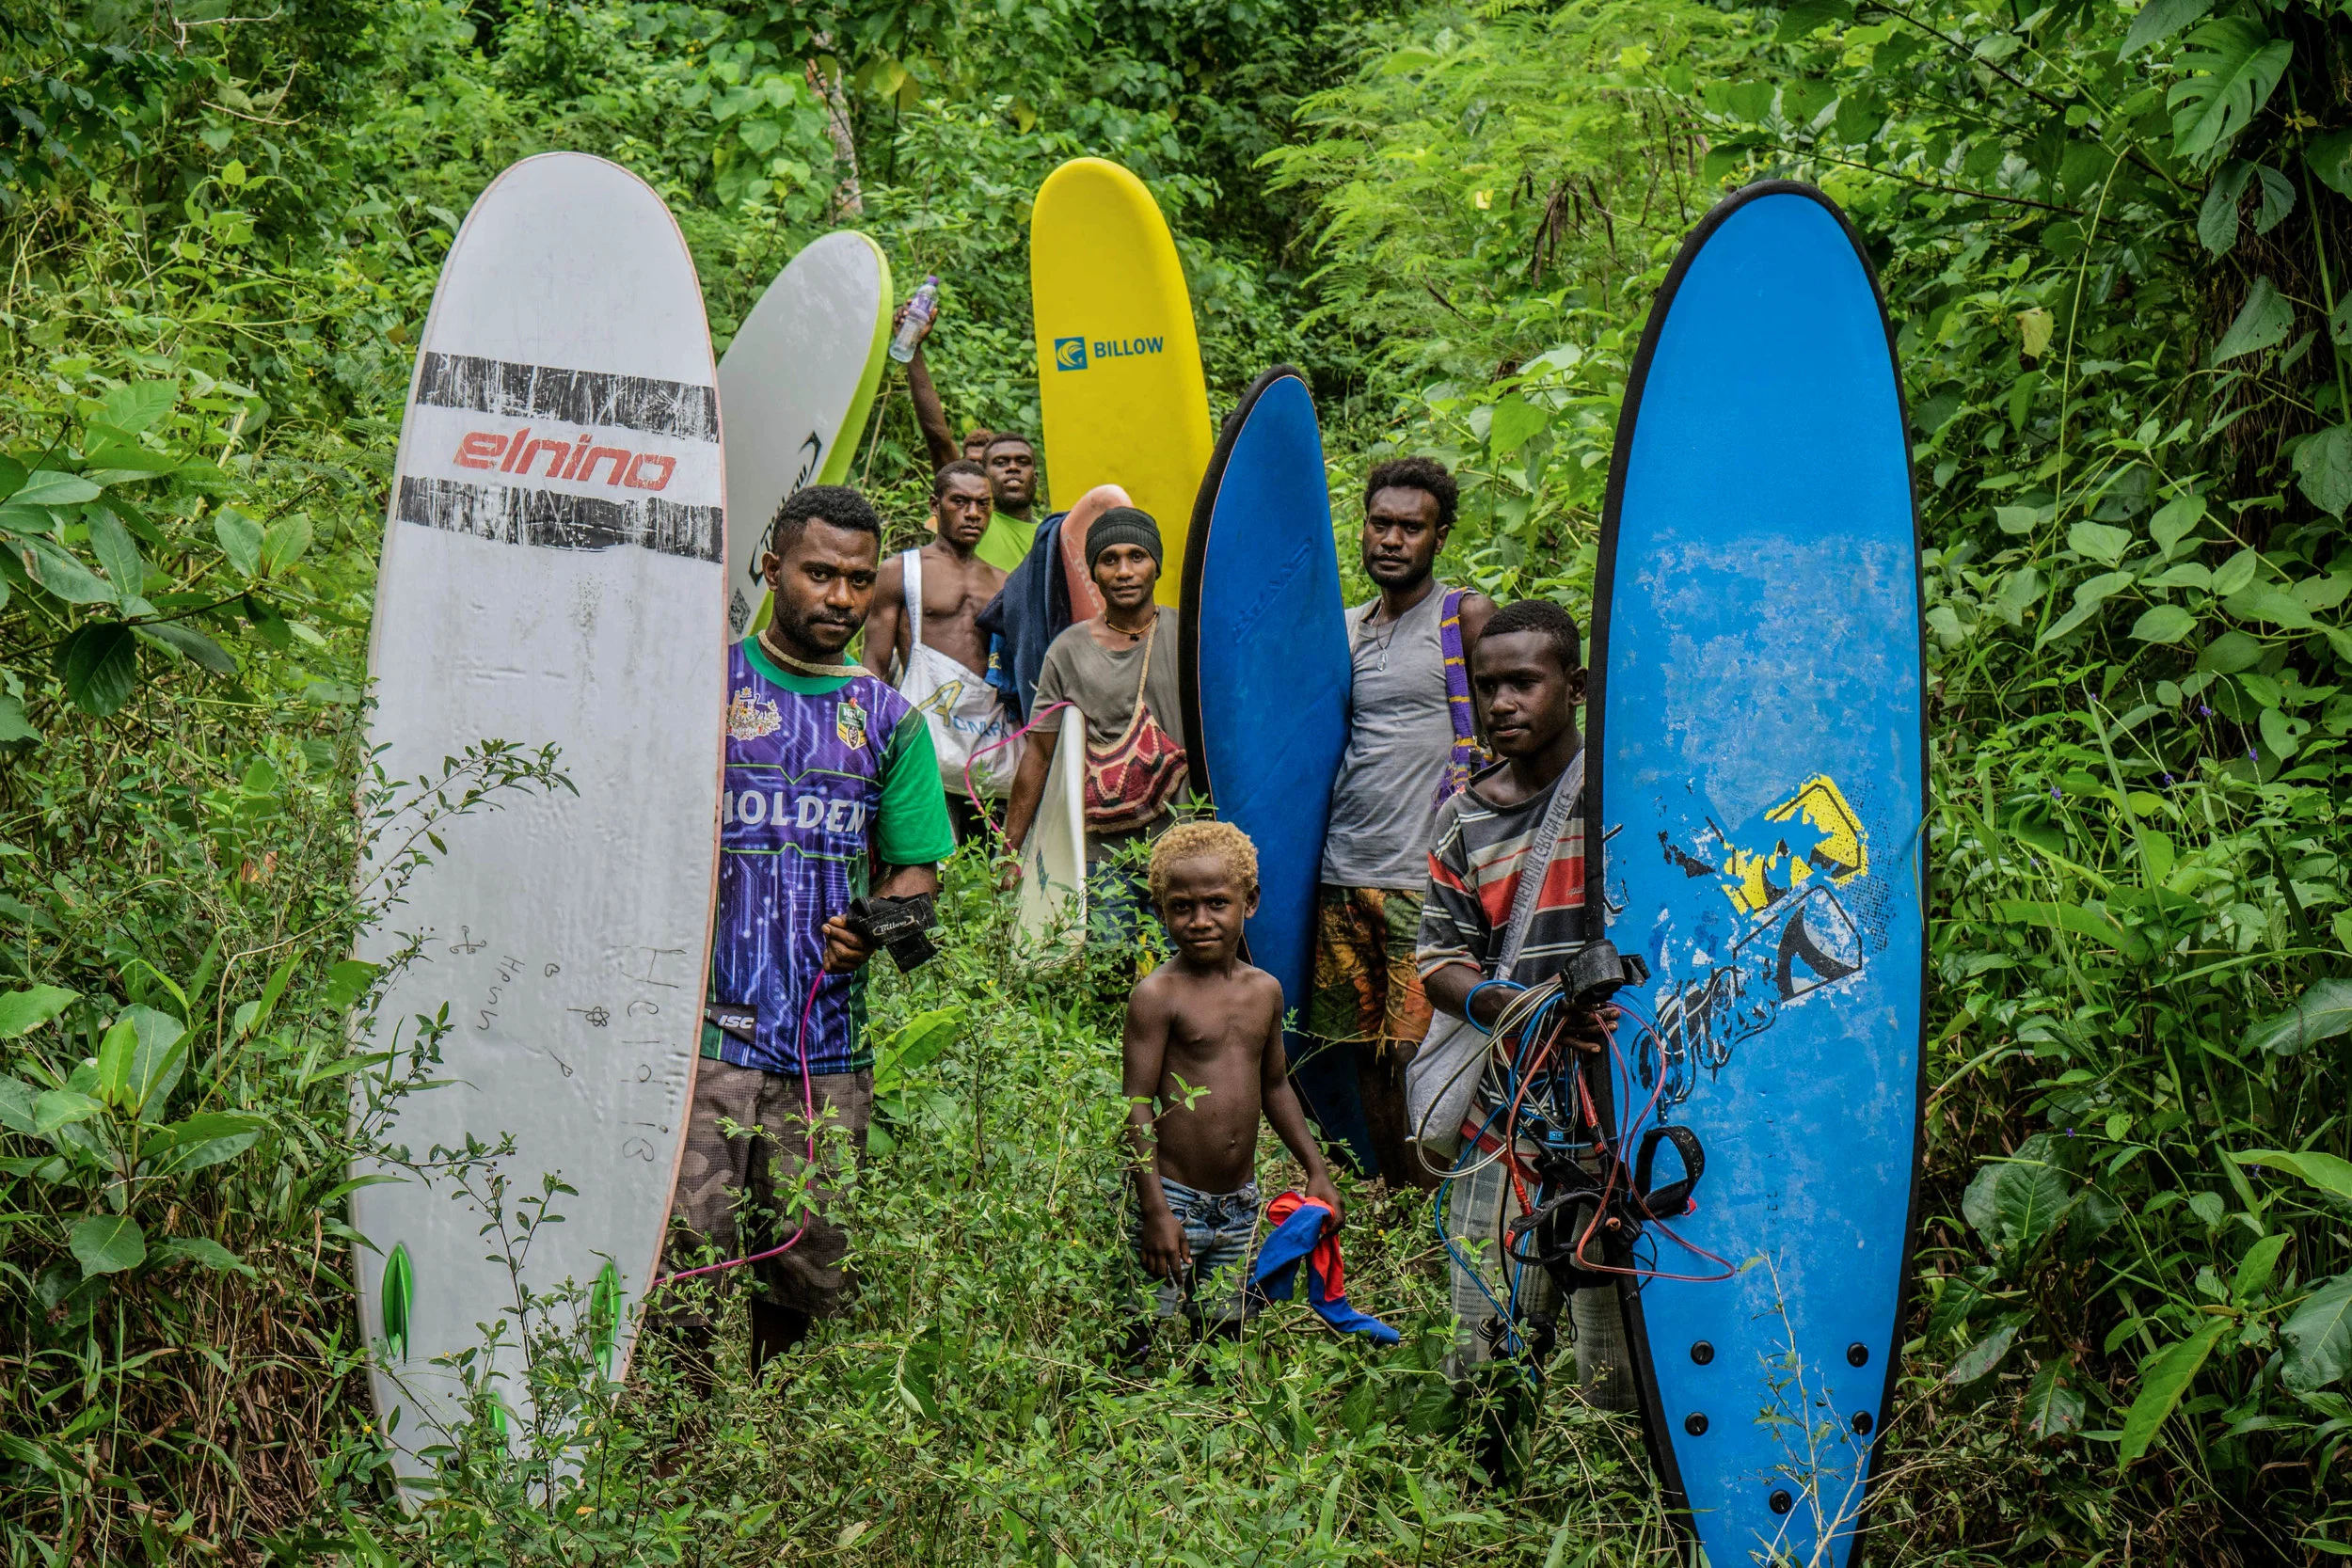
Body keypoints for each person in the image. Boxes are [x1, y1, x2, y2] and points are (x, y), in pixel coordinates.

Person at [663, 483, 956, 1376]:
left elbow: (919, 877)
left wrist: (878, 925)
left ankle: (772, 1432)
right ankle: (678, 1441)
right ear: (771, 565)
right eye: (819, 572)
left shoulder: (890, 721)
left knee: (807, 1264)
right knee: (683, 1258)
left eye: (858, 580)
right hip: (695, 1038)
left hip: (826, 1044)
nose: (839, 597)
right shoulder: (702, 688)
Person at [1414, 597, 1632, 1411]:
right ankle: (1491, 1495)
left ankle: (1614, 1513)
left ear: (1574, 686)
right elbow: (1438, 960)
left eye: (1524, 683)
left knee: (1617, 1365)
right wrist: (1528, 1010)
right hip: (1507, 1116)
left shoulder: (1625, 796)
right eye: (1487, 684)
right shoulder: (1464, 818)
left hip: (1623, 1117)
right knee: (1483, 1355)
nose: (1502, 702)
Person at [1309, 457, 1495, 1189]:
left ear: (1439, 536)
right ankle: (1392, 1194)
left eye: (1410, 527)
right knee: (1362, 1050)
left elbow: (1510, 721)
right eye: (1380, 523)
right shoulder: (1342, 628)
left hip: (1425, 873)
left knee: (1419, 1049)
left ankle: (1433, 1195)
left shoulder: (1461, 617)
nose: (1391, 539)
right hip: (1342, 868)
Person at [1121, 820, 1343, 1350]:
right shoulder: (1158, 995)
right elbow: (1135, 1107)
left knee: (1223, 1338)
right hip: (1172, 1198)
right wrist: (1155, 1209)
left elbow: (1276, 1087)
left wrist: (1317, 1169)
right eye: (1181, 907)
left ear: (1250, 902)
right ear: (1160, 910)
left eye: (1217, 903)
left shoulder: (1264, 990)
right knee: (1140, 1335)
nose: (1200, 921)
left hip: (1239, 1203)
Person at [1000, 507, 1189, 937]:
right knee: (1109, 975)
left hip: (1182, 847)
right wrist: (1010, 852)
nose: (1124, 571)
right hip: (1103, 857)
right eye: (1110, 559)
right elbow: (1039, 755)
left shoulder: (1188, 635)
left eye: (1137, 556)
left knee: (1186, 971)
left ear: (1157, 564)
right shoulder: (1067, 651)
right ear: (1094, 571)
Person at [861, 460, 1019, 841]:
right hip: (924, 743)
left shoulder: (1004, 583)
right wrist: (867, 751)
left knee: (986, 875)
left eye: (983, 504)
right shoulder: (901, 571)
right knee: (926, 863)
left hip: (985, 749)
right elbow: (875, 667)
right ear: (935, 505)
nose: (973, 514)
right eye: (960, 502)